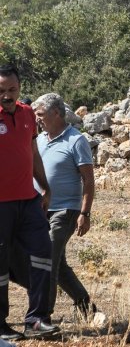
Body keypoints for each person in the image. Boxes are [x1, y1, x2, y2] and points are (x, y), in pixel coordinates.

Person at [0, 65, 60, 340]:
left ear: (20, 88)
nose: (7, 96)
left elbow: (32, 152)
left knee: (43, 253)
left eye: (12, 90)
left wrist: (44, 187)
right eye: (1, 90)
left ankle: (37, 319)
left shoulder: (26, 115)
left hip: (28, 200)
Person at [26, 94, 96, 322]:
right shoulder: (40, 139)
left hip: (66, 210)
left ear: (56, 113)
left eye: (40, 115)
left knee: (48, 261)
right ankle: (86, 306)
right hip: (40, 210)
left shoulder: (76, 140)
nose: (37, 119)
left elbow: (88, 179)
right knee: (58, 264)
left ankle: (42, 317)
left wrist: (85, 213)